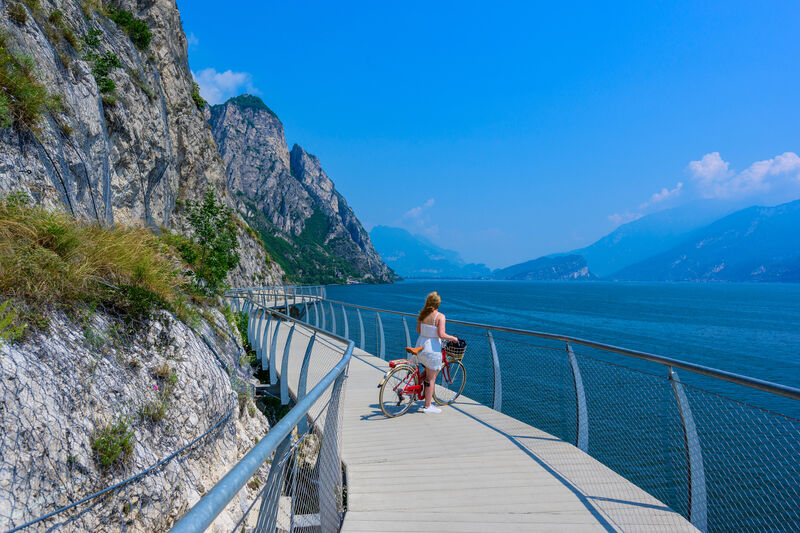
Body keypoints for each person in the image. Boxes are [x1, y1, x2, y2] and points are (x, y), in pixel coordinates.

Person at [414, 291, 458, 414]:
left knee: (427, 372)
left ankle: (420, 386)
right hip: (432, 350)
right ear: (438, 303)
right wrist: (453, 338)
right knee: (431, 378)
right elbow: (441, 334)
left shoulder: (421, 315)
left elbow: (418, 330)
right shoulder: (440, 316)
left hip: (420, 347)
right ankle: (428, 406)